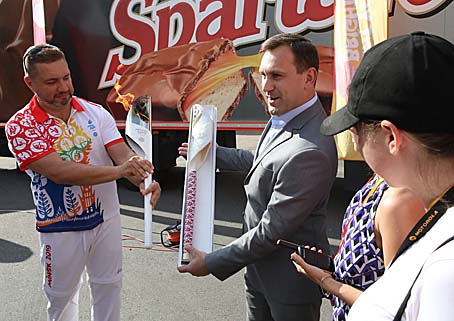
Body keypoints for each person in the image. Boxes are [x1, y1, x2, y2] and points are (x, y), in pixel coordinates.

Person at [177, 33, 338, 321]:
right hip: (259, 273)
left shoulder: (310, 149)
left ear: (309, 77)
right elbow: (267, 163)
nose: (265, 87)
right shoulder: (286, 116)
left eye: (276, 75)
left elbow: (270, 231)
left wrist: (212, 262)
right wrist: (215, 154)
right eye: (263, 75)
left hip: (289, 284)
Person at [5, 44, 161, 321]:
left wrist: (143, 177)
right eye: (52, 82)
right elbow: (61, 172)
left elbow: (121, 153)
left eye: (66, 77)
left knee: (108, 287)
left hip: (106, 220)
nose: (63, 87)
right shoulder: (20, 125)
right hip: (60, 228)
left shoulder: (95, 112)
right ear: (30, 83)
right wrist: (120, 171)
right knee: (62, 300)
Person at [317, 32, 454, 321]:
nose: (354, 143)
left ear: (391, 136)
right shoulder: (438, 218)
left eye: (355, 130)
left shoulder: (443, 270)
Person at [291, 173, 425, 321]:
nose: (354, 148)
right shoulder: (380, 179)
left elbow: (394, 308)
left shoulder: (398, 202)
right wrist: (330, 270)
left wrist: (326, 282)